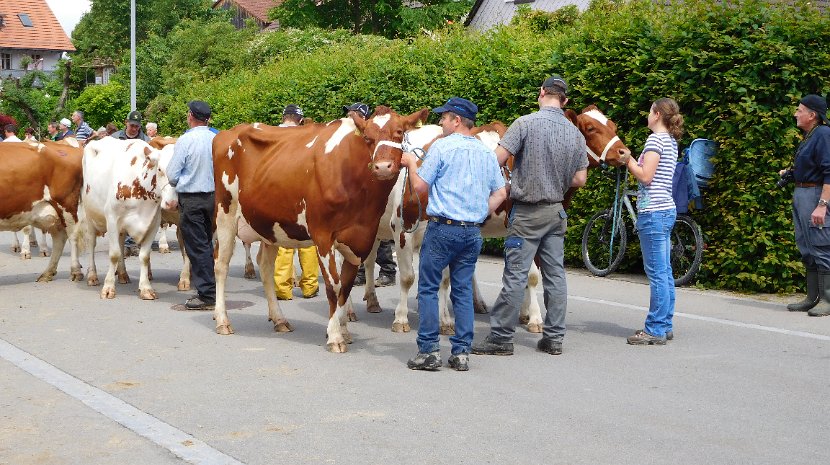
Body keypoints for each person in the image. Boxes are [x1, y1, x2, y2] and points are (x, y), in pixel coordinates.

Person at [472, 75, 588, 357]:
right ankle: (554, 338)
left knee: (515, 274)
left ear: (541, 93)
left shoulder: (524, 123)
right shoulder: (576, 134)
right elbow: (581, 179)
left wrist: (512, 184)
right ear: (565, 101)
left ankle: (501, 338)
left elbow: (494, 161)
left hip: (526, 213)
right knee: (555, 276)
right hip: (556, 211)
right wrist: (554, 179)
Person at [401, 97, 506, 372]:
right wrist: (481, 212)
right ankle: (461, 353)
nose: (440, 122)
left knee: (427, 288)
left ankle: (428, 351)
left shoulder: (441, 147)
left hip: (442, 228)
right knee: (461, 291)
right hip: (471, 231)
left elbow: (420, 187)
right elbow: (501, 192)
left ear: (457, 120)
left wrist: (411, 164)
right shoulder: (486, 152)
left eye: (444, 117)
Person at [621, 98, 684, 345]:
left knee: (657, 273)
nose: (647, 115)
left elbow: (646, 177)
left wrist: (628, 161)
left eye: (649, 111)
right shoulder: (670, 141)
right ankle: (665, 324)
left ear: (656, 114)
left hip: (653, 212)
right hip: (666, 209)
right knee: (665, 271)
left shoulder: (656, 140)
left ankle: (655, 329)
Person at [165, 100, 217, 310]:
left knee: (196, 246)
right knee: (207, 241)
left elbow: (172, 173)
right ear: (208, 119)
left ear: (191, 117)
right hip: (213, 197)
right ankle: (212, 287)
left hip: (192, 198)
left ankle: (207, 294)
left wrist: (177, 183)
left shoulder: (185, 141)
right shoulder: (216, 138)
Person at [783, 94, 830, 317]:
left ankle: (828, 300)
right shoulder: (810, 135)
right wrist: (791, 173)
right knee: (806, 245)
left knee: (821, 245)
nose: (795, 113)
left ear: (812, 115)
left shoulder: (823, 134)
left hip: (814, 194)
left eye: (799, 110)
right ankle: (812, 298)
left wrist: (822, 205)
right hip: (802, 192)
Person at [344, 102, 398, 288]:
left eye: (354, 114)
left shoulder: (375, 133)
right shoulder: (351, 136)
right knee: (361, 233)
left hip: (375, 187)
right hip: (359, 191)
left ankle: (388, 271)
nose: (350, 116)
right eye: (349, 114)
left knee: (378, 232)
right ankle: (360, 271)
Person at [272, 104, 320, 300]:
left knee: (283, 239)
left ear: (283, 117)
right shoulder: (307, 135)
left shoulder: (272, 134)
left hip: (278, 191)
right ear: (300, 119)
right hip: (304, 191)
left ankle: (283, 288)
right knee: (308, 238)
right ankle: (309, 286)